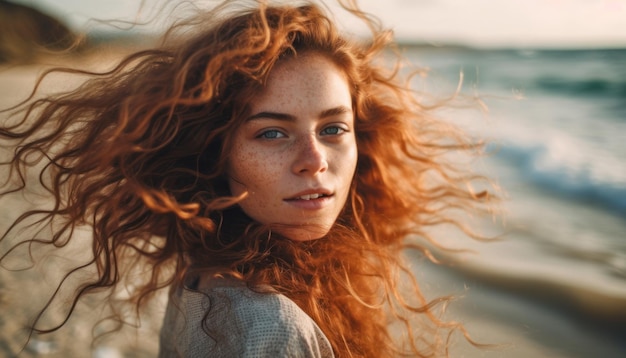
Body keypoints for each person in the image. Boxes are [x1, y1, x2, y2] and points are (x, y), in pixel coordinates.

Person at [0, 1, 495, 357]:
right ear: (213, 149)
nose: (313, 160)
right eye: (273, 132)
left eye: (333, 128)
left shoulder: (205, 272)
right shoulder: (269, 327)